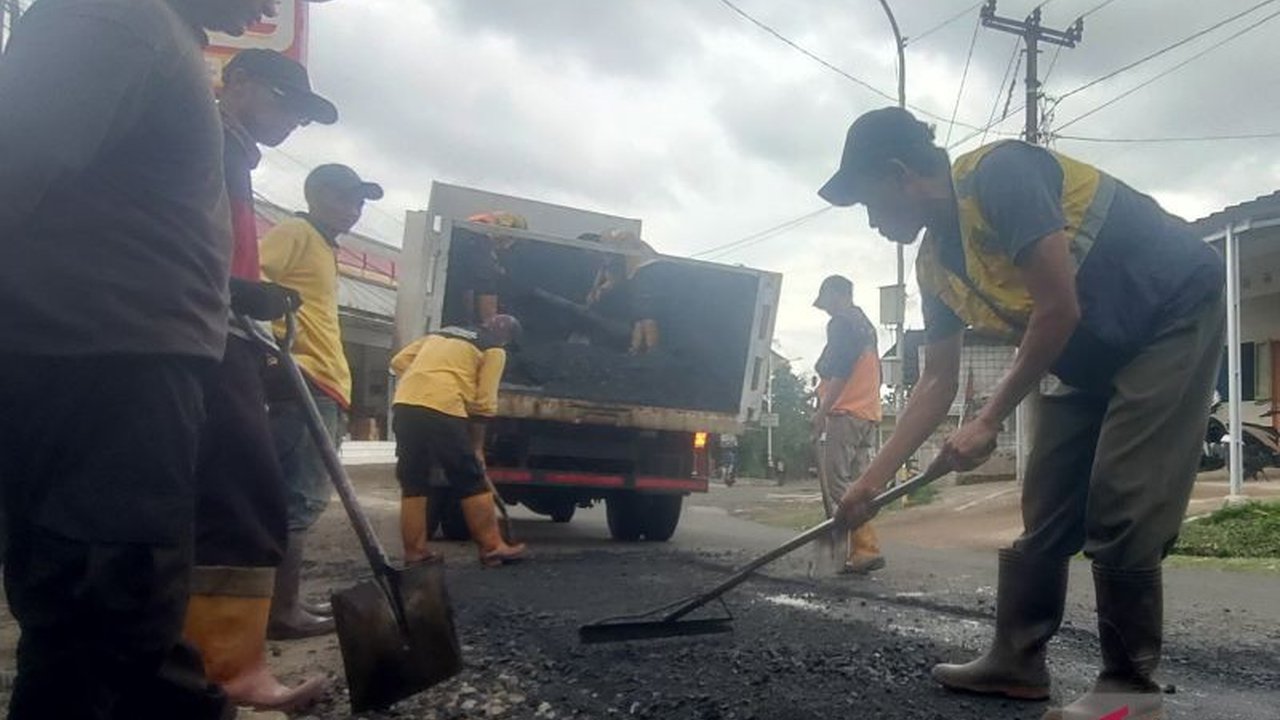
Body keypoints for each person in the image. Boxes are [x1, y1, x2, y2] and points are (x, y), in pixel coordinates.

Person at [819, 107, 1224, 720]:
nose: (872, 223)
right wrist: (869, 486)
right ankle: (1018, 662)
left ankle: (1129, 692)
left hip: (1165, 315)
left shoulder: (1000, 176)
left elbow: (1057, 307)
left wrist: (988, 419)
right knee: (1050, 498)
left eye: (869, 203)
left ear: (900, 174)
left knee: (1122, 498)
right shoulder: (935, 267)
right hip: (1085, 349)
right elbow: (936, 381)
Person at [0, 0, 279, 717]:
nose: (272, 6)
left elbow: (121, 208)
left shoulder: (155, 29)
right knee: (106, 614)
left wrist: (223, 290)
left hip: (128, 363)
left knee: (128, 613)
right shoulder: (116, 14)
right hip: (98, 366)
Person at [182, 48, 338, 714]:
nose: (291, 122)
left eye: (301, 116)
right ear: (237, 82)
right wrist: (241, 299)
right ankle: (229, 666)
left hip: (225, 334)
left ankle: (212, 657)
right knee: (241, 498)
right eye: (285, 102)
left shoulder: (233, 150)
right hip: (202, 334)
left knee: (236, 497)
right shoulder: (205, 137)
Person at [259, 164, 383, 639]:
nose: (354, 211)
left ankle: (282, 602)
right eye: (344, 199)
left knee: (299, 496)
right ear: (315, 195)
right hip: (303, 380)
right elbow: (249, 284)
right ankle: (282, 612)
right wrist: (274, 351)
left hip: (322, 384)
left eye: (359, 202)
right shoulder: (294, 232)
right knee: (300, 497)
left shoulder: (324, 246)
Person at [391, 316, 528, 567]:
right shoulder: (494, 348)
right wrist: (477, 447)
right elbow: (484, 402)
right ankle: (492, 547)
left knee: (413, 480)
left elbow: (398, 361)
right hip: (443, 406)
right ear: (507, 337)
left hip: (405, 403)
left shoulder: (441, 334)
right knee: (469, 478)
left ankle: (415, 552)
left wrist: (424, 378)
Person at [812, 275, 885, 575]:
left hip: (846, 411)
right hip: (867, 413)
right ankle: (855, 550)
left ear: (837, 294)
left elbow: (841, 370)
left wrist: (822, 411)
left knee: (838, 483)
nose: (825, 308)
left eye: (826, 301)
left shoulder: (841, 323)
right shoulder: (864, 324)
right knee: (856, 482)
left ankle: (866, 547)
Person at [444, 211, 528, 326]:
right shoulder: (482, 249)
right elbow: (486, 295)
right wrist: (492, 329)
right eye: (511, 239)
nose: (508, 246)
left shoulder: (465, 237)